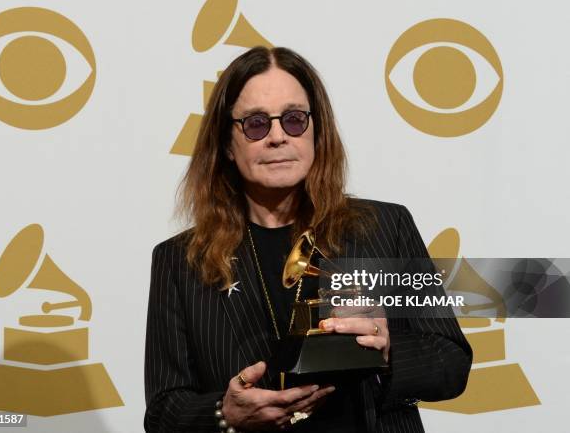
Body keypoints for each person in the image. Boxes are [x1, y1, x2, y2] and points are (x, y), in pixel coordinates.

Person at [144, 46, 472, 432]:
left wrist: (389, 349)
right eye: (255, 124)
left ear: (317, 130)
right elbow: (164, 411)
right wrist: (226, 414)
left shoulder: (386, 226)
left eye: (295, 119)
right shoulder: (181, 260)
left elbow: (451, 362)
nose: (278, 137)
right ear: (227, 144)